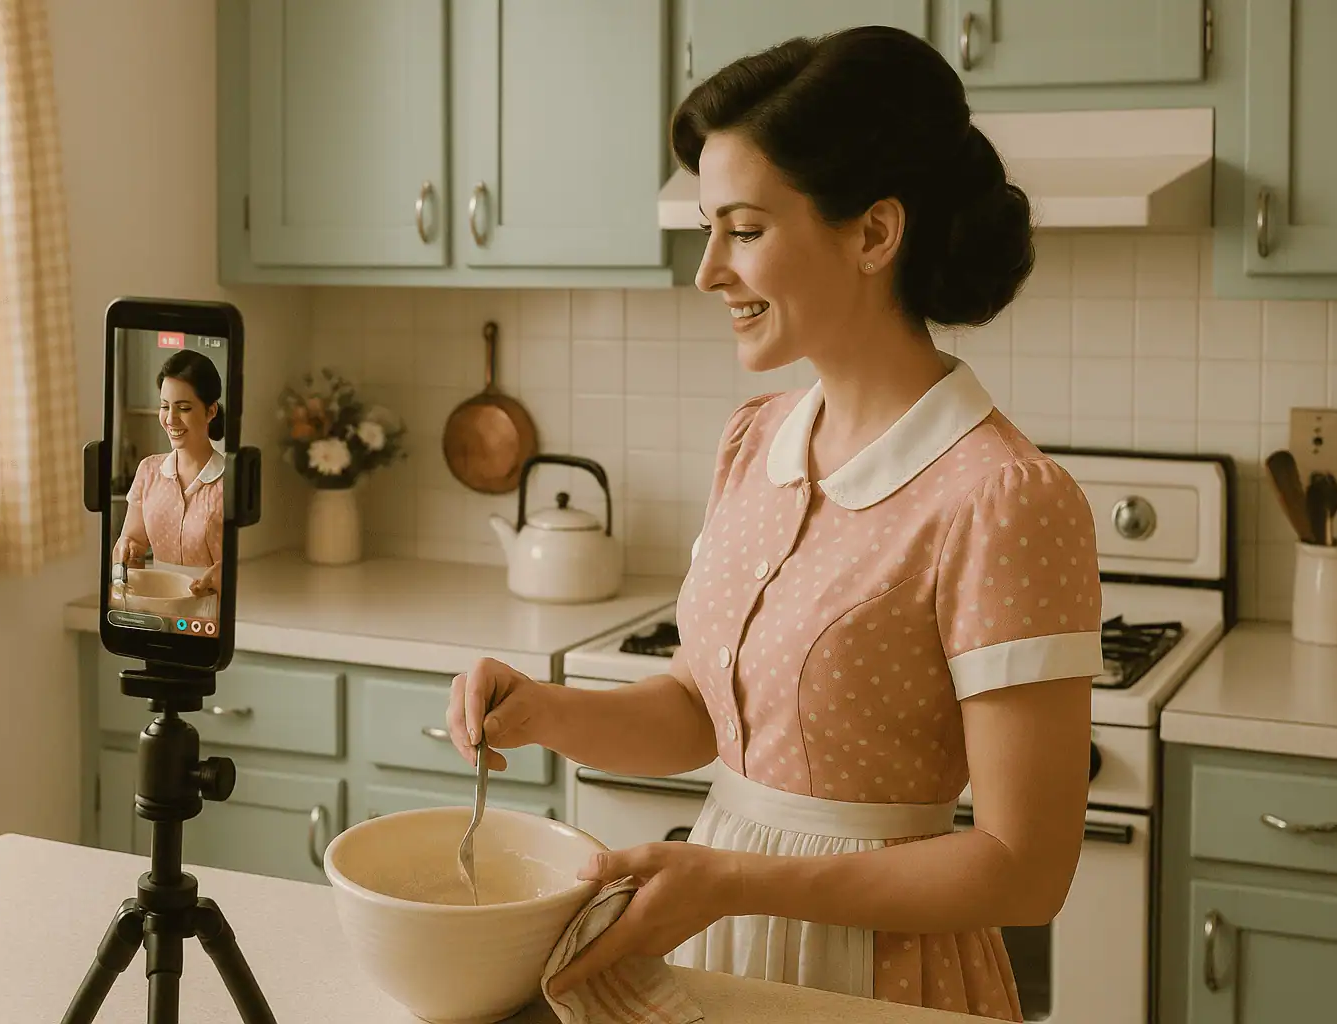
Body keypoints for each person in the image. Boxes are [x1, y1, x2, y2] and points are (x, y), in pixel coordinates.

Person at [447, 26, 1102, 1022]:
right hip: (721, 941)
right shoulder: (755, 442)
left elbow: (1023, 869)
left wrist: (742, 880)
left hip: (882, 977)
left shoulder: (1002, 497)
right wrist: (543, 711)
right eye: (708, 228)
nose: (709, 270)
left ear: (875, 234)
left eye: (743, 230)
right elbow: (710, 713)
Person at [113, 348, 226, 612]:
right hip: (156, 606)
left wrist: (222, 574)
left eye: (184, 408)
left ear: (211, 411)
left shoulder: (229, 481)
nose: (171, 419)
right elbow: (133, 542)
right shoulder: (149, 471)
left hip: (213, 612)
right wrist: (125, 553)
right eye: (165, 406)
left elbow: (242, 565)